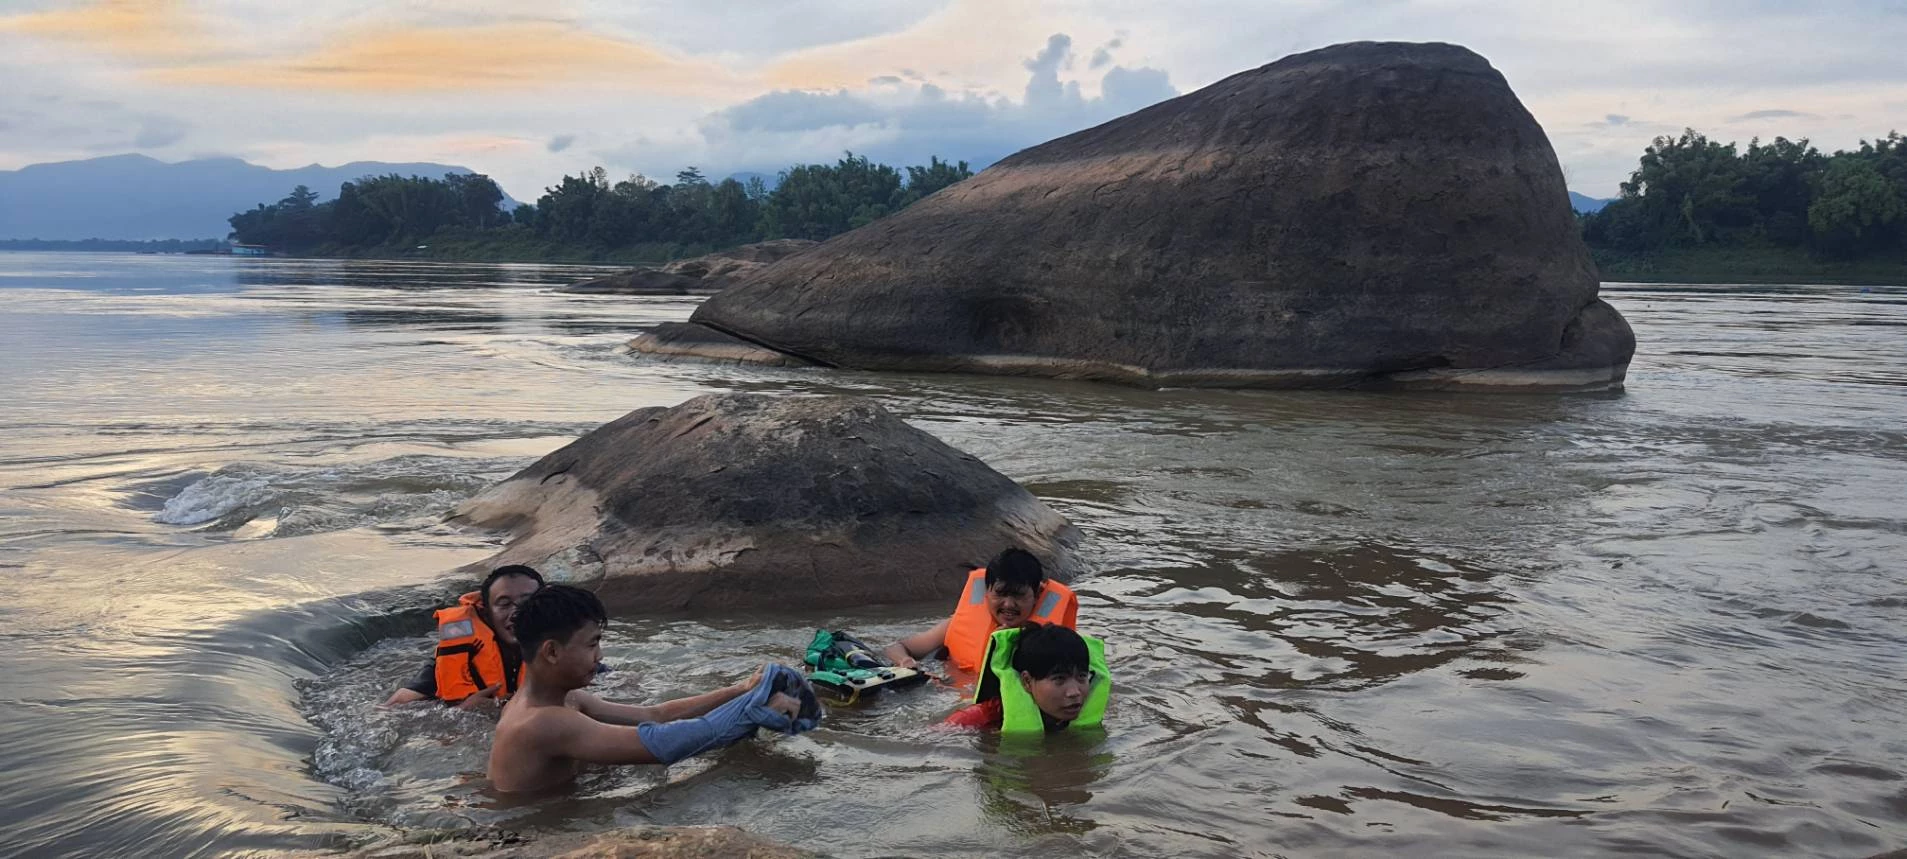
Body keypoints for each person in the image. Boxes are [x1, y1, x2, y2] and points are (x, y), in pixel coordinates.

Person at [488, 585, 820, 793]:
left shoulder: (560, 699)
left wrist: (742, 689)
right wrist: (753, 710)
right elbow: (664, 745)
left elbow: (655, 715)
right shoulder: (543, 722)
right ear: (552, 651)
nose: (599, 656)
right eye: (592, 644)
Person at [882, 548, 1078, 673]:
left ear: (1037, 596)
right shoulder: (957, 625)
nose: (1008, 604)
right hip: (950, 696)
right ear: (986, 593)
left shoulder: (1051, 640)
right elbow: (895, 647)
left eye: (1018, 596)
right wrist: (905, 661)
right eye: (1000, 594)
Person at [383, 564, 544, 709]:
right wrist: (463, 711)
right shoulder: (460, 655)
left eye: (527, 602)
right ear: (486, 613)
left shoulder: (563, 646)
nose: (517, 613)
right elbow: (390, 709)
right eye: (504, 604)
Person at [943, 623, 1110, 733]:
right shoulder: (977, 719)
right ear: (1027, 681)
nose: (1075, 692)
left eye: (1081, 677)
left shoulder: (1098, 709)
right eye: (1059, 679)